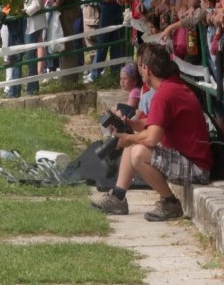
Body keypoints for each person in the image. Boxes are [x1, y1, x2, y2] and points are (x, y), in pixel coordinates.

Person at [91, 43, 212, 220]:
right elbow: (152, 123)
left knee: (138, 152)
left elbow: (152, 138)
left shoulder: (164, 94)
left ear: (147, 69)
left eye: (140, 66)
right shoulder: (171, 87)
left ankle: (170, 203)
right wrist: (131, 124)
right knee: (134, 145)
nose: (140, 71)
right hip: (190, 159)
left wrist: (128, 138)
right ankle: (117, 196)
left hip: (197, 167)